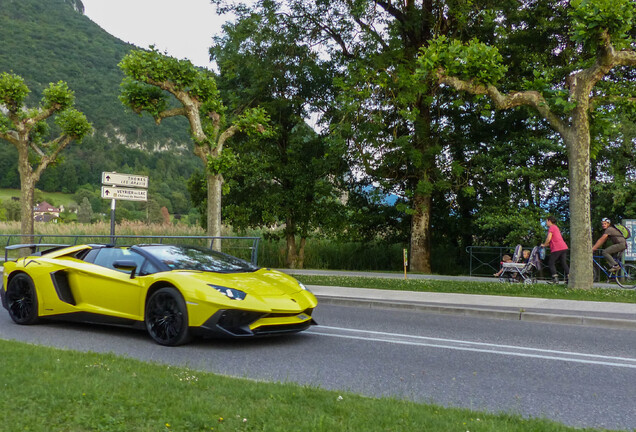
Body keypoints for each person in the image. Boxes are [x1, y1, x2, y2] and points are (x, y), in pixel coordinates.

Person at [541, 216, 569, 284]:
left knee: (551, 262)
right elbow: (554, 240)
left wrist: (544, 245)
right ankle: (569, 278)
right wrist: (547, 244)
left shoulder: (552, 227)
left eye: (546, 221)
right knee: (563, 263)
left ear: (549, 221)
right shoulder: (556, 227)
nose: (546, 223)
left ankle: (555, 279)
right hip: (563, 247)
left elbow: (549, 238)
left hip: (557, 248)